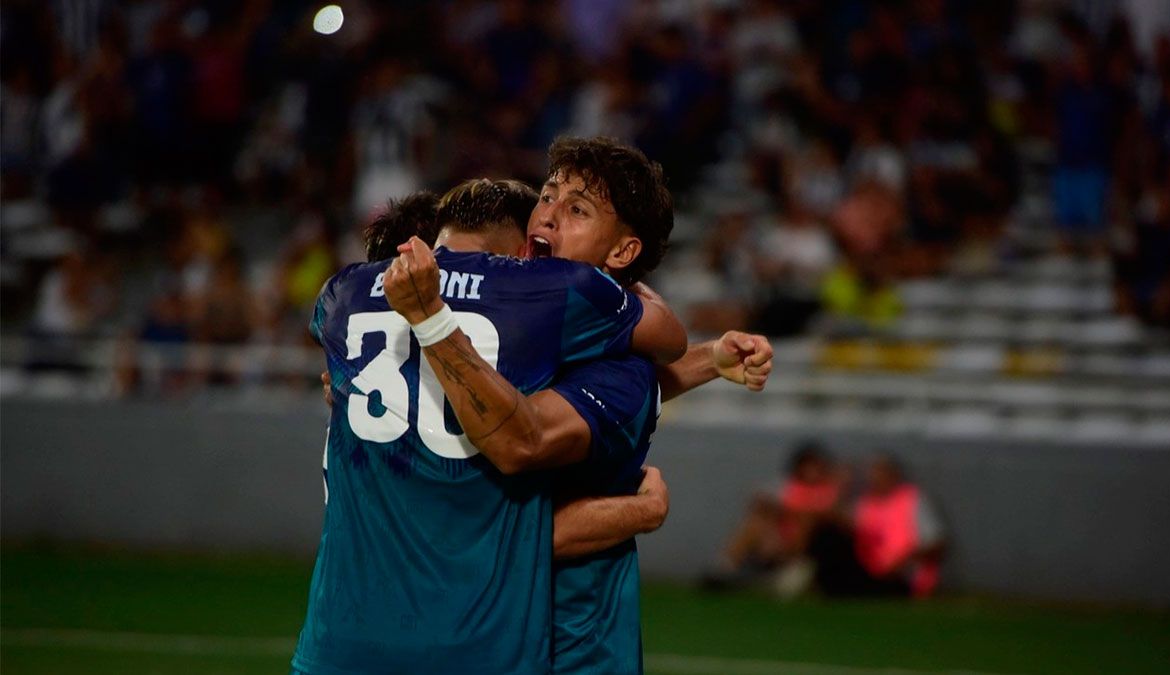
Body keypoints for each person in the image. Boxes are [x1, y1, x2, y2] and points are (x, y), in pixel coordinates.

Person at [381, 137, 773, 674]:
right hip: (472, 636)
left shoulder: (622, 373)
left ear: (622, 253)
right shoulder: (508, 339)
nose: (547, 215)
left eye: (578, 210)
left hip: (567, 650)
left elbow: (505, 518)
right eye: (547, 196)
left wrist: (641, 511)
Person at [292, 177, 688, 674]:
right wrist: (640, 511)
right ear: (523, 249)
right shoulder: (547, 293)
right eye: (546, 203)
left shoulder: (344, 291)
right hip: (479, 641)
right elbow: (666, 341)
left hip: (336, 643)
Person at [703, 441, 845, 594]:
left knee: (806, 522)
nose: (811, 472)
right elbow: (760, 500)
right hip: (779, 537)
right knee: (755, 523)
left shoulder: (830, 491)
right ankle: (724, 568)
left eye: (815, 467)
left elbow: (829, 516)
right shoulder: (788, 486)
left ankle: (788, 571)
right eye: (807, 466)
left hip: (806, 546)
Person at [810, 455, 945, 598]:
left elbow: (937, 543)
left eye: (881, 472)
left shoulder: (913, 499)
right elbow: (834, 519)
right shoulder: (865, 504)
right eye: (872, 473)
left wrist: (903, 561)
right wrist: (840, 487)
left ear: (894, 475)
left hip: (903, 576)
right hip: (870, 570)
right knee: (827, 536)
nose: (875, 478)